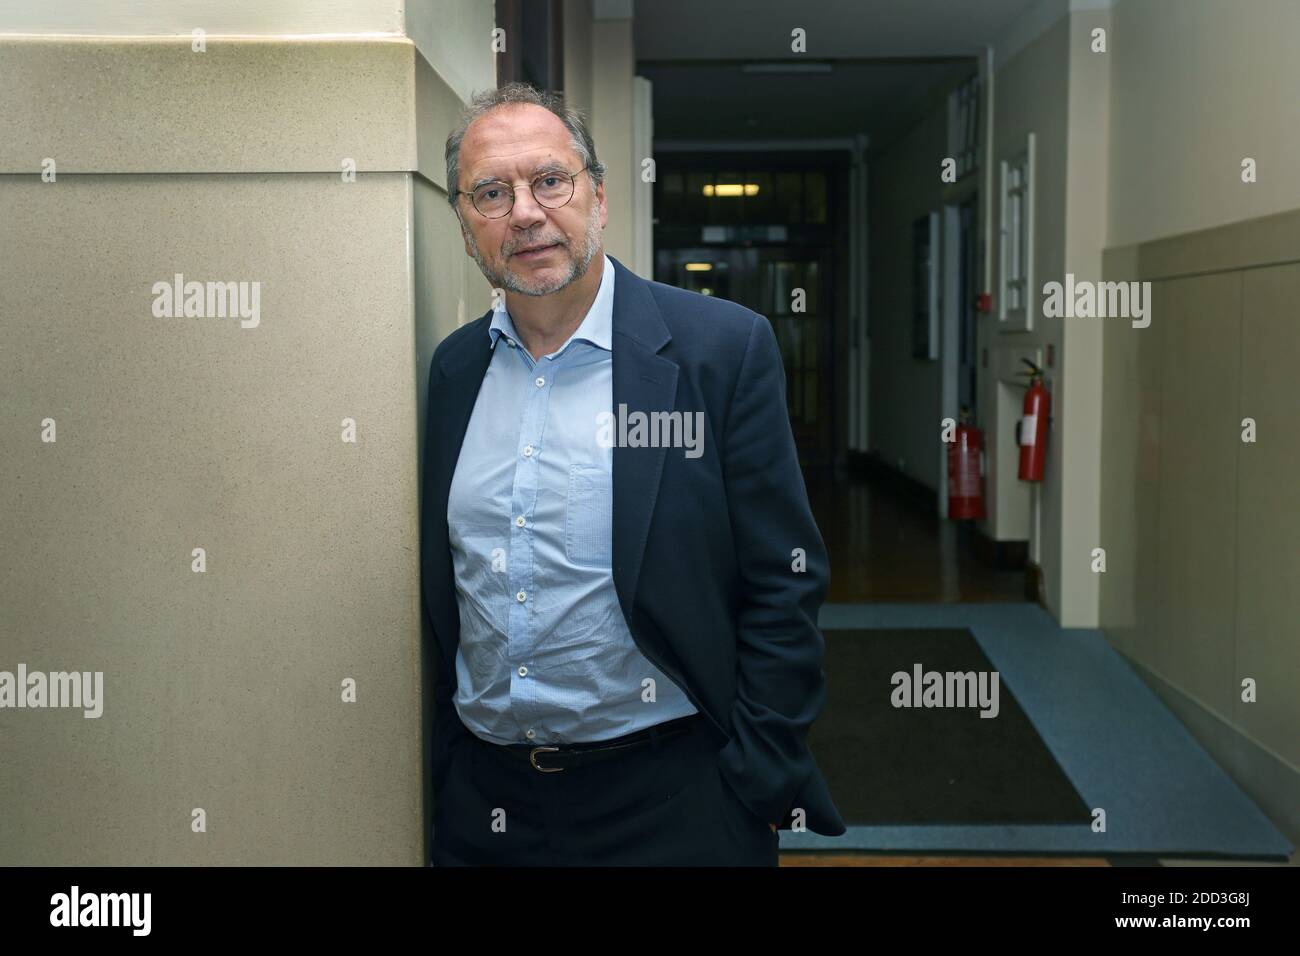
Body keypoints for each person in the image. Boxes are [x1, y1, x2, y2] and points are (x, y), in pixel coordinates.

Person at [422, 81, 845, 866]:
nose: (525, 212)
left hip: (671, 802)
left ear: (599, 196)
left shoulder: (719, 351)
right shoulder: (453, 373)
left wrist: (754, 771)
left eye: (550, 180)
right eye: (491, 192)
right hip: (488, 808)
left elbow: (784, 580)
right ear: (463, 223)